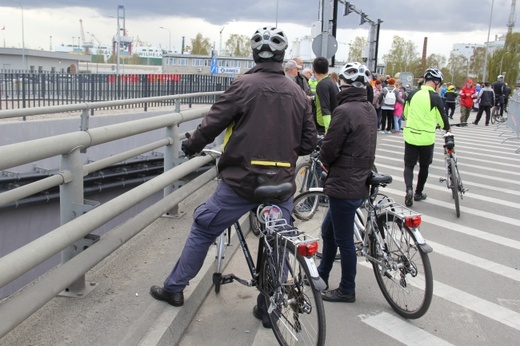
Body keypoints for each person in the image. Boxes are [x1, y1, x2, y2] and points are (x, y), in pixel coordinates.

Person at [149, 26, 317, 329]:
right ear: (283, 56)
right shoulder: (299, 93)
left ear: (254, 54)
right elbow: (307, 143)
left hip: (242, 183)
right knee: (278, 241)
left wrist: (191, 145)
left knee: (203, 227)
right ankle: (269, 307)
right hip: (280, 185)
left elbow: (213, 123)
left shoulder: (242, 85)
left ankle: (174, 288)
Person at [318, 62, 377, 303]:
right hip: (360, 181)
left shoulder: (344, 111)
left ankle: (347, 289)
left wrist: (322, 156)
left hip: (344, 183)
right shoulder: (368, 108)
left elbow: (330, 148)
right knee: (327, 231)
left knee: (343, 240)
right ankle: (321, 275)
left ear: (343, 83)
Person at [403, 67, 450, 207]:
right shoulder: (435, 97)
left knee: (409, 166)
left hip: (411, 136)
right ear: (436, 82)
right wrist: (447, 128)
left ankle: (408, 189)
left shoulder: (412, 94)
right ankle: (418, 193)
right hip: (427, 139)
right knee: (424, 166)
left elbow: (405, 114)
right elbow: (443, 121)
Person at [312, 56, 339, 134]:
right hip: (332, 122)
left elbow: (325, 107)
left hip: (323, 126)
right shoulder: (331, 83)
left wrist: (328, 130)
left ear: (313, 70)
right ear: (327, 70)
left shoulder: (322, 85)